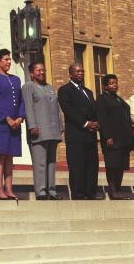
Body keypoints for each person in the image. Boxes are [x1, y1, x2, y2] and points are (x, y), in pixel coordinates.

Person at [58, 63, 103, 200]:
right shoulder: (65, 90)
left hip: (90, 135)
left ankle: (91, 192)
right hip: (76, 134)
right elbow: (68, 110)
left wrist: (96, 123)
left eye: (82, 71)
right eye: (77, 71)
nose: (80, 73)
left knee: (91, 165)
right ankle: (78, 193)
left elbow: (94, 109)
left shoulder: (88, 92)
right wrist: (85, 123)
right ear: (70, 74)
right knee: (77, 165)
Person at [0, 49, 25, 200]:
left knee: (10, 156)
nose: (9, 62)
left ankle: (9, 189)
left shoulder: (15, 79)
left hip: (16, 122)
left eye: (9, 59)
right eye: (6, 59)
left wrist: (20, 117)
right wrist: (6, 118)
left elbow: (21, 100)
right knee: (1, 155)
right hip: (0, 122)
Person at [23, 62, 63, 200]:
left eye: (43, 70)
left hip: (52, 130)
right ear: (32, 73)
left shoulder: (50, 87)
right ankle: (41, 191)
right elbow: (28, 107)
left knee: (51, 163)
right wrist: (32, 126)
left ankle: (51, 190)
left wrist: (60, 127)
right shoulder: (28, 86)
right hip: (38, 131)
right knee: (40, 163)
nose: (41, 72)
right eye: (38, 70)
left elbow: (57, 108)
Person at [97, 74, 134, 200]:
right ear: (105, 86)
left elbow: (124, 114)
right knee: (112, 165)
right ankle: (113, 191)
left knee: (120, 165)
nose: (114, 85)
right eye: (111, 83)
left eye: (115, 83)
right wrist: (107, 136)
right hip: (111, 138)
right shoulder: (102, 99)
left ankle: (119, 189)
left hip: (123, 138)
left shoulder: (118, 99)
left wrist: (131, 125)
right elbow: (102, 119)